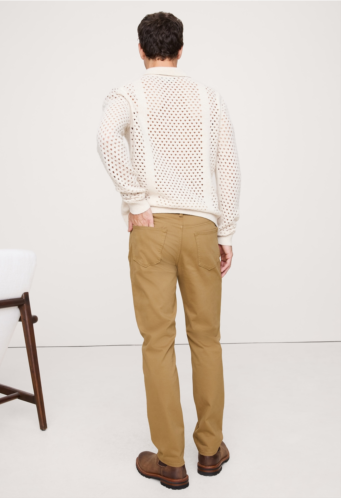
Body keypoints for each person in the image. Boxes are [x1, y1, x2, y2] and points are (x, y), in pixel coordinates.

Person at [97, 11, 241, 491]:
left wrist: (137, 201)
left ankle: (171, 460)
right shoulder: (209, 97)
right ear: (181, 49)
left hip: (152, 228)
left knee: (157, 341)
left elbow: (106, 138)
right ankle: (210, 451)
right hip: (201, 228)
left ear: (141, 50)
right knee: (207, 339)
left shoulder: (128, 93)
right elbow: (228, 164)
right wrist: (225, 231)